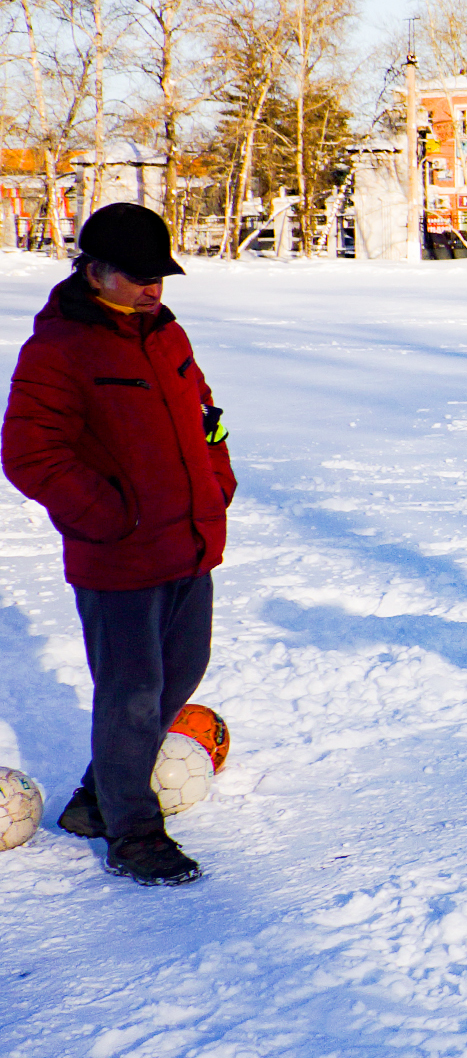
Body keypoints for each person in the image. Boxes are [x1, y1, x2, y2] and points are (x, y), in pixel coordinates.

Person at [2, 203, 234, 886]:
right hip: (120, 555)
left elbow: (207, 419)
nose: (153, 287)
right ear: (96, 272)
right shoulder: (61, 348)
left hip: (189, 541)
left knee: (181, 673)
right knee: (132, 693)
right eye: (137, 276)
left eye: (159, 274)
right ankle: (133, 834)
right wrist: (110, 516)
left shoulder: (167, 335)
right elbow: (29, 453)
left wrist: (217, 481)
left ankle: (95, 801)